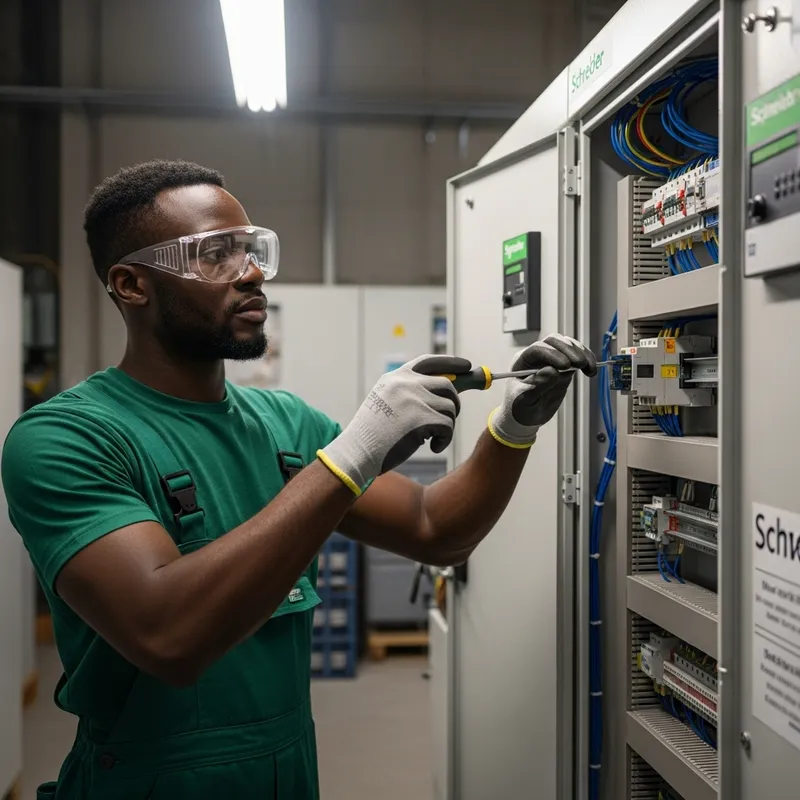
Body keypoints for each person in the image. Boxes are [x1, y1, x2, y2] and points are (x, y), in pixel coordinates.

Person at [1, 159, 596, 800]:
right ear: (131, 284)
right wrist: (354, 454)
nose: (252, 272)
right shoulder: (67, 438)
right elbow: (169, 635)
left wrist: (513, 426)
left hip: (286, 776)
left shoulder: (284, 423)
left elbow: (436, 529)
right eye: (217, 255)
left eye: (253, 250)